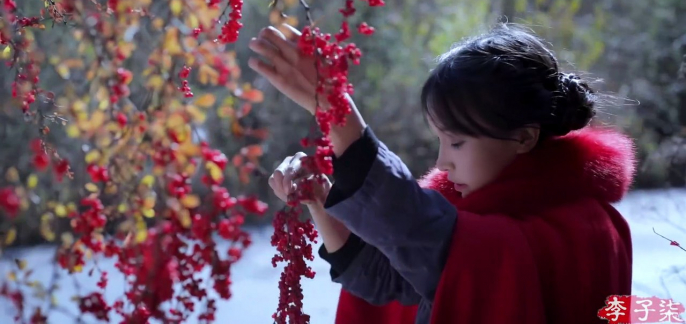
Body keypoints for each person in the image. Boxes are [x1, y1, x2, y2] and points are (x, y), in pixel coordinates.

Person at [248, 23, 634, 324]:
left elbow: (423, 238)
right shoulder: (477, 214)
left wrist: (337, 110)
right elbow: (389, 277)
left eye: (457, 142)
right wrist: (320, 202)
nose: (443, 162)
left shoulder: (574, 227)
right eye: (440, 140)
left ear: (523, 137)